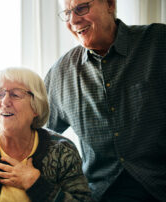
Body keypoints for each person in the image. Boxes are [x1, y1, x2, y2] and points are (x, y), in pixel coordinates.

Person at [44, 0, 166, 201]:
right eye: (67, 14)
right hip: (100, 194)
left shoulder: (158, 42)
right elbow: (35, 131)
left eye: (81, 8)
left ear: (110, 4)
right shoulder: (61, 73)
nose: (73, 20)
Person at [0, 67, 92, 201]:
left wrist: (36, 183)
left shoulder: (62, 151)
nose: (5, 102)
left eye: (15, 95)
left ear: (36, 107)